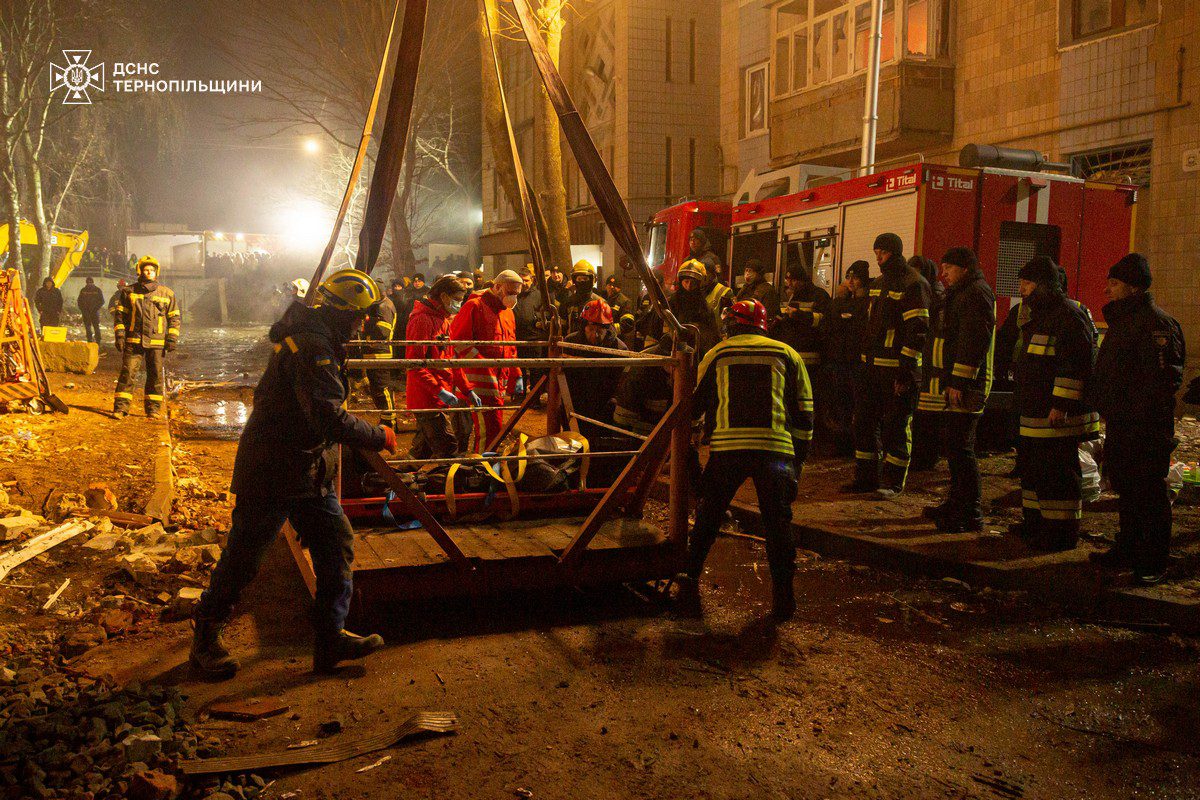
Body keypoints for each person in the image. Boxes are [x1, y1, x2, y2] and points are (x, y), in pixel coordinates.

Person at [191, 269, 396, 679]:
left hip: (308, 469)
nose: (361, 327)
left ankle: (331, 638)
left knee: (336, 548)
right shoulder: (312, 347)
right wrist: (379, 435)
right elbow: (326, 416)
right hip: (272, 469)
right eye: (358, 318)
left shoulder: (317, 338)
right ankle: (206, 638)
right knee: (245, 558)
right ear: (341, 313)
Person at [675, 299, 813, 620]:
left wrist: (691, 454)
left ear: (731, 324)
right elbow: (804, 412)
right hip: (775, 451)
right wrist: (798, 463)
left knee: (708, 517)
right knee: (778, 526)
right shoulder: (788, 354)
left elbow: (693, 408)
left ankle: (689, 579)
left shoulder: (718, 353)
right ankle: (783, 601)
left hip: (728, 450)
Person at [1089, 254, 1185, 584]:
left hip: (1145, 428)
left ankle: (1153, 562)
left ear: (1132, 287)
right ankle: (1128, 548)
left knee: (1149, 493)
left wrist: (1136, 416)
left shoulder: (1157, 325)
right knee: (1127, 489)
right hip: (1122, 424)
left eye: (1114, 284)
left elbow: (1161, 380)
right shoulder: (1124, 323)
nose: (1107, 290)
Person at [1011, 256, 1097, 552]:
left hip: (1056, 414)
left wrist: (1061, 404)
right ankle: (1035, 524)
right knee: (1034, 473)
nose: (1022, 289)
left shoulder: (1069, 316)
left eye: (1027, 283)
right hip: (1036, 411)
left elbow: (1075, 366)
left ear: (1045, 286)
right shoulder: (1041, 316)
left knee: (1056, 475)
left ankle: (1060, 534)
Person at [847, 233, 930, 498]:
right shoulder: (879, 283)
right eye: (876, 253)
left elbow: (918, 330)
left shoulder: (912, 283)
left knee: (896, 425)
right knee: (863, 423)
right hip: (870, 367)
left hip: (895, 369)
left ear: (894, 252)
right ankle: (866, 478)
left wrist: (905, 371)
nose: (878, 258)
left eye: (881, 253)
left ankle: (893, 483)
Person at [919, 248, 995, 532]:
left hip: (968, 385)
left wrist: (959, 381)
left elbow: (973, 340)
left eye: (948, 267)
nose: (944, 274)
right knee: (954, 447)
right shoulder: (964, 292)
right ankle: (957, 504)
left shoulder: (975, 294)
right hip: (958, 382)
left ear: (964, 268)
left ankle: (970, 512)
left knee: (961, 448)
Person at [450, 269, 523, 450]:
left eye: (517, 294)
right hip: (478, 382)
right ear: (497, 287)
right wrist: (485, 366)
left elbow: (510, 346)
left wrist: (516, 373)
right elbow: (458, 341)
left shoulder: (507, 312)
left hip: (497, 381)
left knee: (492, 429)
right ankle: (482, 469)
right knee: (488, 430)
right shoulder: (475, 306)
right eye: (510, 293)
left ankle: (482, 466)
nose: (513, 298)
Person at [405, 274, 474, 458]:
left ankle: (401, 479)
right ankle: (448, 484)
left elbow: (450, 359)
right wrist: (438, 391)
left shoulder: (442, 319)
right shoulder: (422, 320)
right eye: (457, 299)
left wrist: (466, 389)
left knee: (423, 450)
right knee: (448, 447)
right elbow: (415, 364)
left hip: (437, 396)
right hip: (427, 398)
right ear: (443, 296)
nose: (459, 304)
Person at [112, 257, 181, 419]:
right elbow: (120, 317)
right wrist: (120, 336)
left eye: (152, 270)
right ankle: (121, 408)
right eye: (146, 270)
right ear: (140, 271)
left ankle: (153, 409)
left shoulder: (167, 293)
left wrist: (171, 338)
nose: (149, 272)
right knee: (127, 374)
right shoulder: (128, 292)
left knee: (155, 376)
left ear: (156, 272)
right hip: (133, 341)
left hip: (157, 342)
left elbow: (174, 318)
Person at [822, 260, 871, 452]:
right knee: (842, 401)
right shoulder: (840, 303)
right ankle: (843, 442)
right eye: (848, 277)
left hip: (857, 361)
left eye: (856, 277)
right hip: (840, 360)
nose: (851, 281)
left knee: (858, 403)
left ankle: (856, 442)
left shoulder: (867, 303)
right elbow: (829, 326)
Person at [562, 299, 629, 439]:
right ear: (583, 326)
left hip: (604, 404)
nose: (595, 335)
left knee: (600, 441)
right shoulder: (570, 343)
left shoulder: (619, 349)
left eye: (600, 331)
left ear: (608, 328)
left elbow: (621, 385)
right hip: (576, 401)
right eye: (591, 329)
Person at [910, 256, 945, 472]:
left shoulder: (936, 296)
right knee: (919, 412)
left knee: (927, 415)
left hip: (933, 362)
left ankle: (926, 456)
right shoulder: (922, 291)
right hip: (924, 359)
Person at [668, 259, 722, 358]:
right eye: (686, 281)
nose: (689, 286)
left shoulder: (704, 307)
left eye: (693, 283)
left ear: (699, 284)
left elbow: (712, 336)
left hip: (698, 355)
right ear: (681, 281)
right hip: (672, 352)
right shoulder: (672, 302)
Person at [362, 291, 398, 425]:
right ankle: (387, 419)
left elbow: (382, 331)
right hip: (375, 351)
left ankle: (389, 422)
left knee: (382, 389)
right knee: (379, 389)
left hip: (380, 352)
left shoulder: (383, 306)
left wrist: (367, 322)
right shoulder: (380, 305)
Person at [558, 260, 604, 336]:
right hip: (572, 344)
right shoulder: (568, 303)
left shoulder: (601, 303)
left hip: (593, 344)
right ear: (574, 280)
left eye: (585, 279)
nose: (582, 281)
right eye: (579, 279)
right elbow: (562, 328)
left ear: (592, 280)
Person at [77, 277, 105, 344]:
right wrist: (83, 310)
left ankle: (98, 341)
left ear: (93, 282)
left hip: (94, 312)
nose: (89, 283)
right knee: (88, 327)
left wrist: (95, 309)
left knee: (96, 326)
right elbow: (79, 301)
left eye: (90, 282)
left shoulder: (97, 290)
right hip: (86, 312)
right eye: (88, 282)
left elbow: (102, 301)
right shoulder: (83, 290)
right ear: (86, 283)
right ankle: (89, 340)